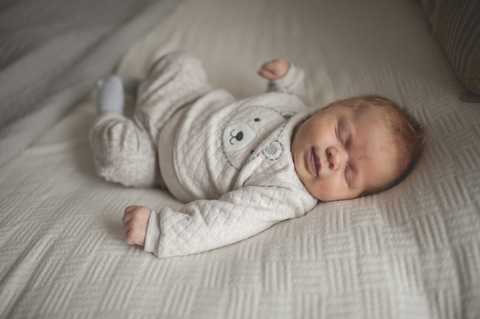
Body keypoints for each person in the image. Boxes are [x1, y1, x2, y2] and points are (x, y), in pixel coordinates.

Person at [90, 51, 425, 258]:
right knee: (180, 61)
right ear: (326, 108)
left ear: (353, 197)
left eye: (350, 174)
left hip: (160, 163)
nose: (336, 158)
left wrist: (159, 231)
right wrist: (287, 79)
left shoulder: (285, 193)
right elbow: (289, 96)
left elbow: (223, 222)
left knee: (117, 156)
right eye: (342, 135)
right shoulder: (302, 110)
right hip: (190, 99)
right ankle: (142, 87)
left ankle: (110, 100)